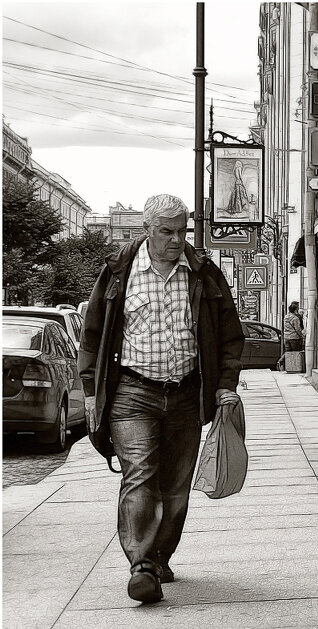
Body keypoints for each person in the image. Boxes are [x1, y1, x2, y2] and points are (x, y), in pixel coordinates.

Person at [79, 194, 245, 605]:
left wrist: (225, 383)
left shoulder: (203, 273)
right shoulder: (119, 271)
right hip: (131, 391)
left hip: (187, 392)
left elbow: (230, 335)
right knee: (139, 474)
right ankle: (141, 566)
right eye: (166, 231)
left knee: (175, 487)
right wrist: (90, 391)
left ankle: (158, 558)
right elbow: (93, 334)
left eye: (181, 231)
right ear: (147, 229)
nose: (175, 240)